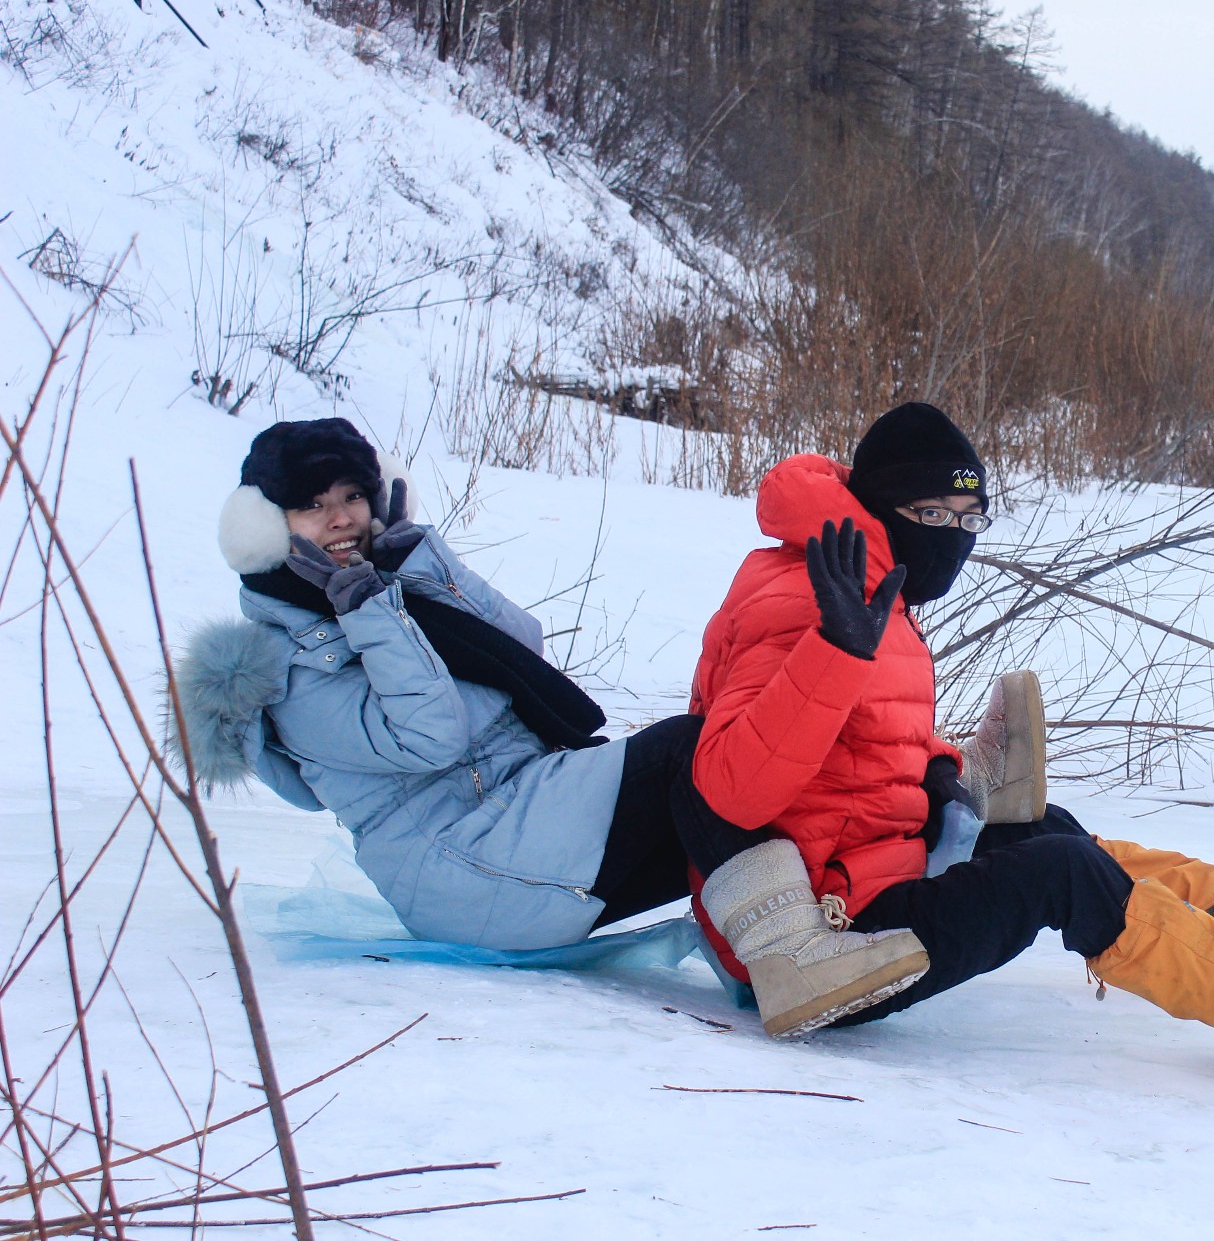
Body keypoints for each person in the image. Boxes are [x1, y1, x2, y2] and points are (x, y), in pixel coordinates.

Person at [687, 402, 1214, 1094]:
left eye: (969, 518)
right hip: (817, 946)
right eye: (930, 513)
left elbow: (851, 748)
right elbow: (730, 788)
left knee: (1045, 828)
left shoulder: (873, 585)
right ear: (879, 506)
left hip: (864, 871)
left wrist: (939, 772)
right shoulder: (809, 600)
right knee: (1064, 873)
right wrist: (833, 650)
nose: (951, 535)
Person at [181, 418, 931, 1036]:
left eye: (352, 493)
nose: (341, 516)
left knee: (741, 786)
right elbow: (429, 735)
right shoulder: (288, 665)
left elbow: (521, 643)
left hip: (512, 814)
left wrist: (418, 564)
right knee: (695, 758)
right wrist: (373, 611)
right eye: (313, 504)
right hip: (464, 865)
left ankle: (872, 891)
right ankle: (787, 953)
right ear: (267, 527)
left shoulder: (377, 585)